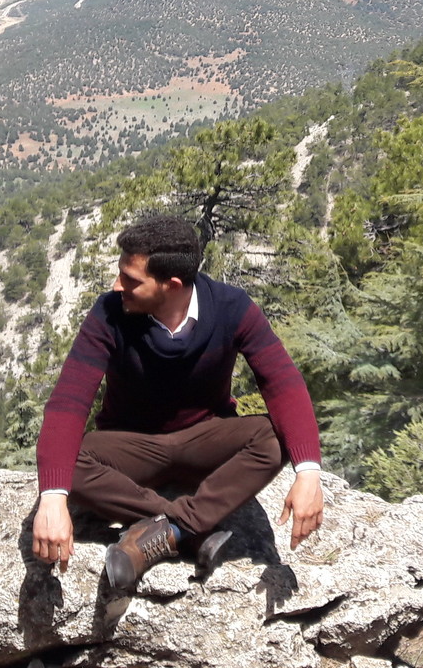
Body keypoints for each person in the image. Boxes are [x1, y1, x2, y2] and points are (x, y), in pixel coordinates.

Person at [30, 214, 325, 590]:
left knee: (275, 437)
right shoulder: (109, 314)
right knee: (67, 463)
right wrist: (52, 497)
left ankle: (167, 531)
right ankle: (190, 529)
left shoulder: (231, 308)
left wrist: (308, 471)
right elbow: (68, 403)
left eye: (131, 280)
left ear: (171, 285)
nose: (117, 285)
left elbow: (282, 383)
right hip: (131, 448)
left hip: (205, 442)